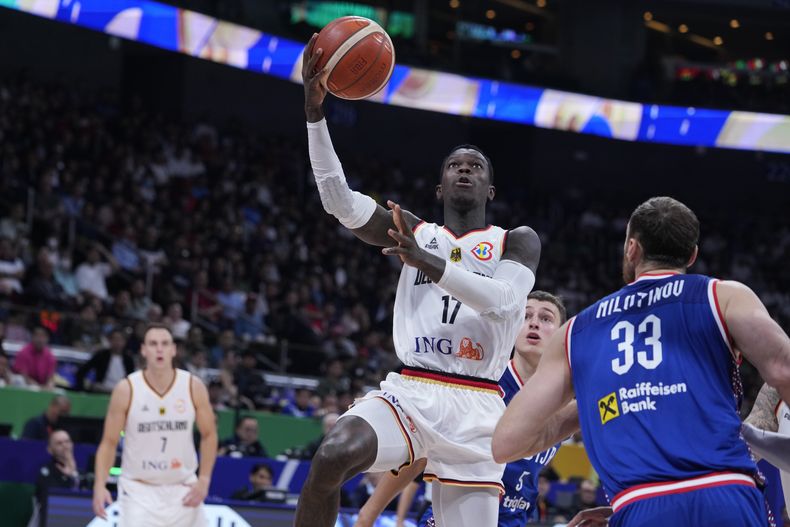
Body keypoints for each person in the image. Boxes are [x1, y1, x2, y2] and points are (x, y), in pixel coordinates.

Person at [295, 34, 541, 527]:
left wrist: (433, 266)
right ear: (441, 185)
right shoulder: (414, 231)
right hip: (413, 390)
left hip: (477, 407)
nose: (463, 170)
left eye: (474, 166)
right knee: (332, 455)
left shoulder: (517, 239)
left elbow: (504, 300)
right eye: (454, 166)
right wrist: (315, 114)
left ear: (489, 187)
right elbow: (337, 201)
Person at [493, 196, 790, 527]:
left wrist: (601, 400)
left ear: (631, 249)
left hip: (640, 504)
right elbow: (782, 368)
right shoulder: (723, 295)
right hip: (726, 496)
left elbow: (507, 442)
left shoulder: (577, 330)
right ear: (691, 255)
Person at [355, 292, 577, 527]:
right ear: (511, 327)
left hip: (514, 519)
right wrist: (367, 515)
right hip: (455, 516)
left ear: (561, 334)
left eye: (546, 318)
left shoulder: (565, 396)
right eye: (525, 316)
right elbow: (419, 455)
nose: (534, 322)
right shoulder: (482, 382)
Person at [91, 324, 217, 526]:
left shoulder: (193, 386)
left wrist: (204, 480)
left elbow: (209, 434)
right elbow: (109, 442)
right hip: (139, 491)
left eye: (165, 344)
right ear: (143, 350)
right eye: (153, 344)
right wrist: (100, 484)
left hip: (183, 488)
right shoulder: (127, 389)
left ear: (173, 350)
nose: (159, 349)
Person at [29, 430, 86, 527]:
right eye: (59, 443)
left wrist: (73, 474)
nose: (65, 445)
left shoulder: (81, 473)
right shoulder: (45, 472)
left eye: (67, 441)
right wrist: (68, 477)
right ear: (50, 449)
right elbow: (52, 499)